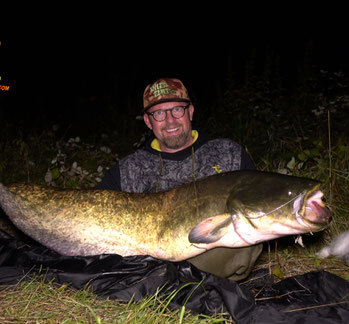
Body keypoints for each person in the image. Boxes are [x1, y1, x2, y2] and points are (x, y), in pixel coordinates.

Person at [96, 78, 262, 281]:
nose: (170, 120)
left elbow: (257, 206)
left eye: (177, 109)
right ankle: (163, 282)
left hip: (210, 259)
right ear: (148, 122)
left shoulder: (228, 153)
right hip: (144, 260)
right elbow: (95, 213)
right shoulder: (128, 169)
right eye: (159, 113)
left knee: (245, 240)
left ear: (190, 112)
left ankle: (174, 283)